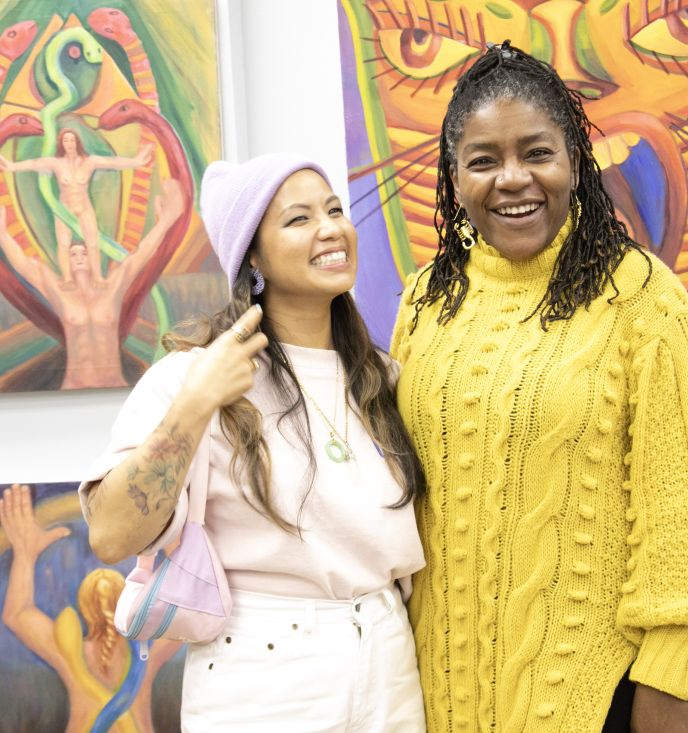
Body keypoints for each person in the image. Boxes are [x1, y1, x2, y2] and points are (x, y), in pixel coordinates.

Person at [390, 42, 688, 733]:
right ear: (453, 175)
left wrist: (665, 675)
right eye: (483, 160)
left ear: (575, 161)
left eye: (536, 153)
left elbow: (677, 508)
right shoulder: (423, 302)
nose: (512, 179)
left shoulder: (644, 299)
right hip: (437, 691)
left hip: (594, 696)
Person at [79, 154, 428, 732]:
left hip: (390, 660)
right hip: (266, 672)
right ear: (254, 258)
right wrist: (196, 403)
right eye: (298, 219)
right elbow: (111, 533)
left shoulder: (382, 378)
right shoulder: (192, 377)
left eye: (334, 210)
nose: (331, 228)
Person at [0, 483, 181, 732]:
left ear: (86, 609)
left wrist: (25, 554)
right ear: (125, 603)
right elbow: (187, 603)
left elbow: (17, 614)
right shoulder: (147, 648)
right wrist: (171, 540)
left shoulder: (68, 649)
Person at [0, 178, 183, 389]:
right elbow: (24, 265)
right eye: (73, 253)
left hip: (116, 385)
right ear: (66, 258)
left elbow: (142, 254)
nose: (80, 256)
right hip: (73, 385)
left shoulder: (112, 286)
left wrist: (167, 220)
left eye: (84, 251)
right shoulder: (57, 288)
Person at [0, 128, 153, 282]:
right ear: (61, 143)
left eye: (72, 140)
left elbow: (112, 162)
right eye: (66, 140)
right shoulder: (56, 163)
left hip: (84, 208)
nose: (69, 143)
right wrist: (12, 166)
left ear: (77, 142)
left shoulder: (90, 162)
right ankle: (67, 278)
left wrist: (136, 161)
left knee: (92, 243)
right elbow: (34, 163)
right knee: (63, 245)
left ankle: (97, 277)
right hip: (65, 209)